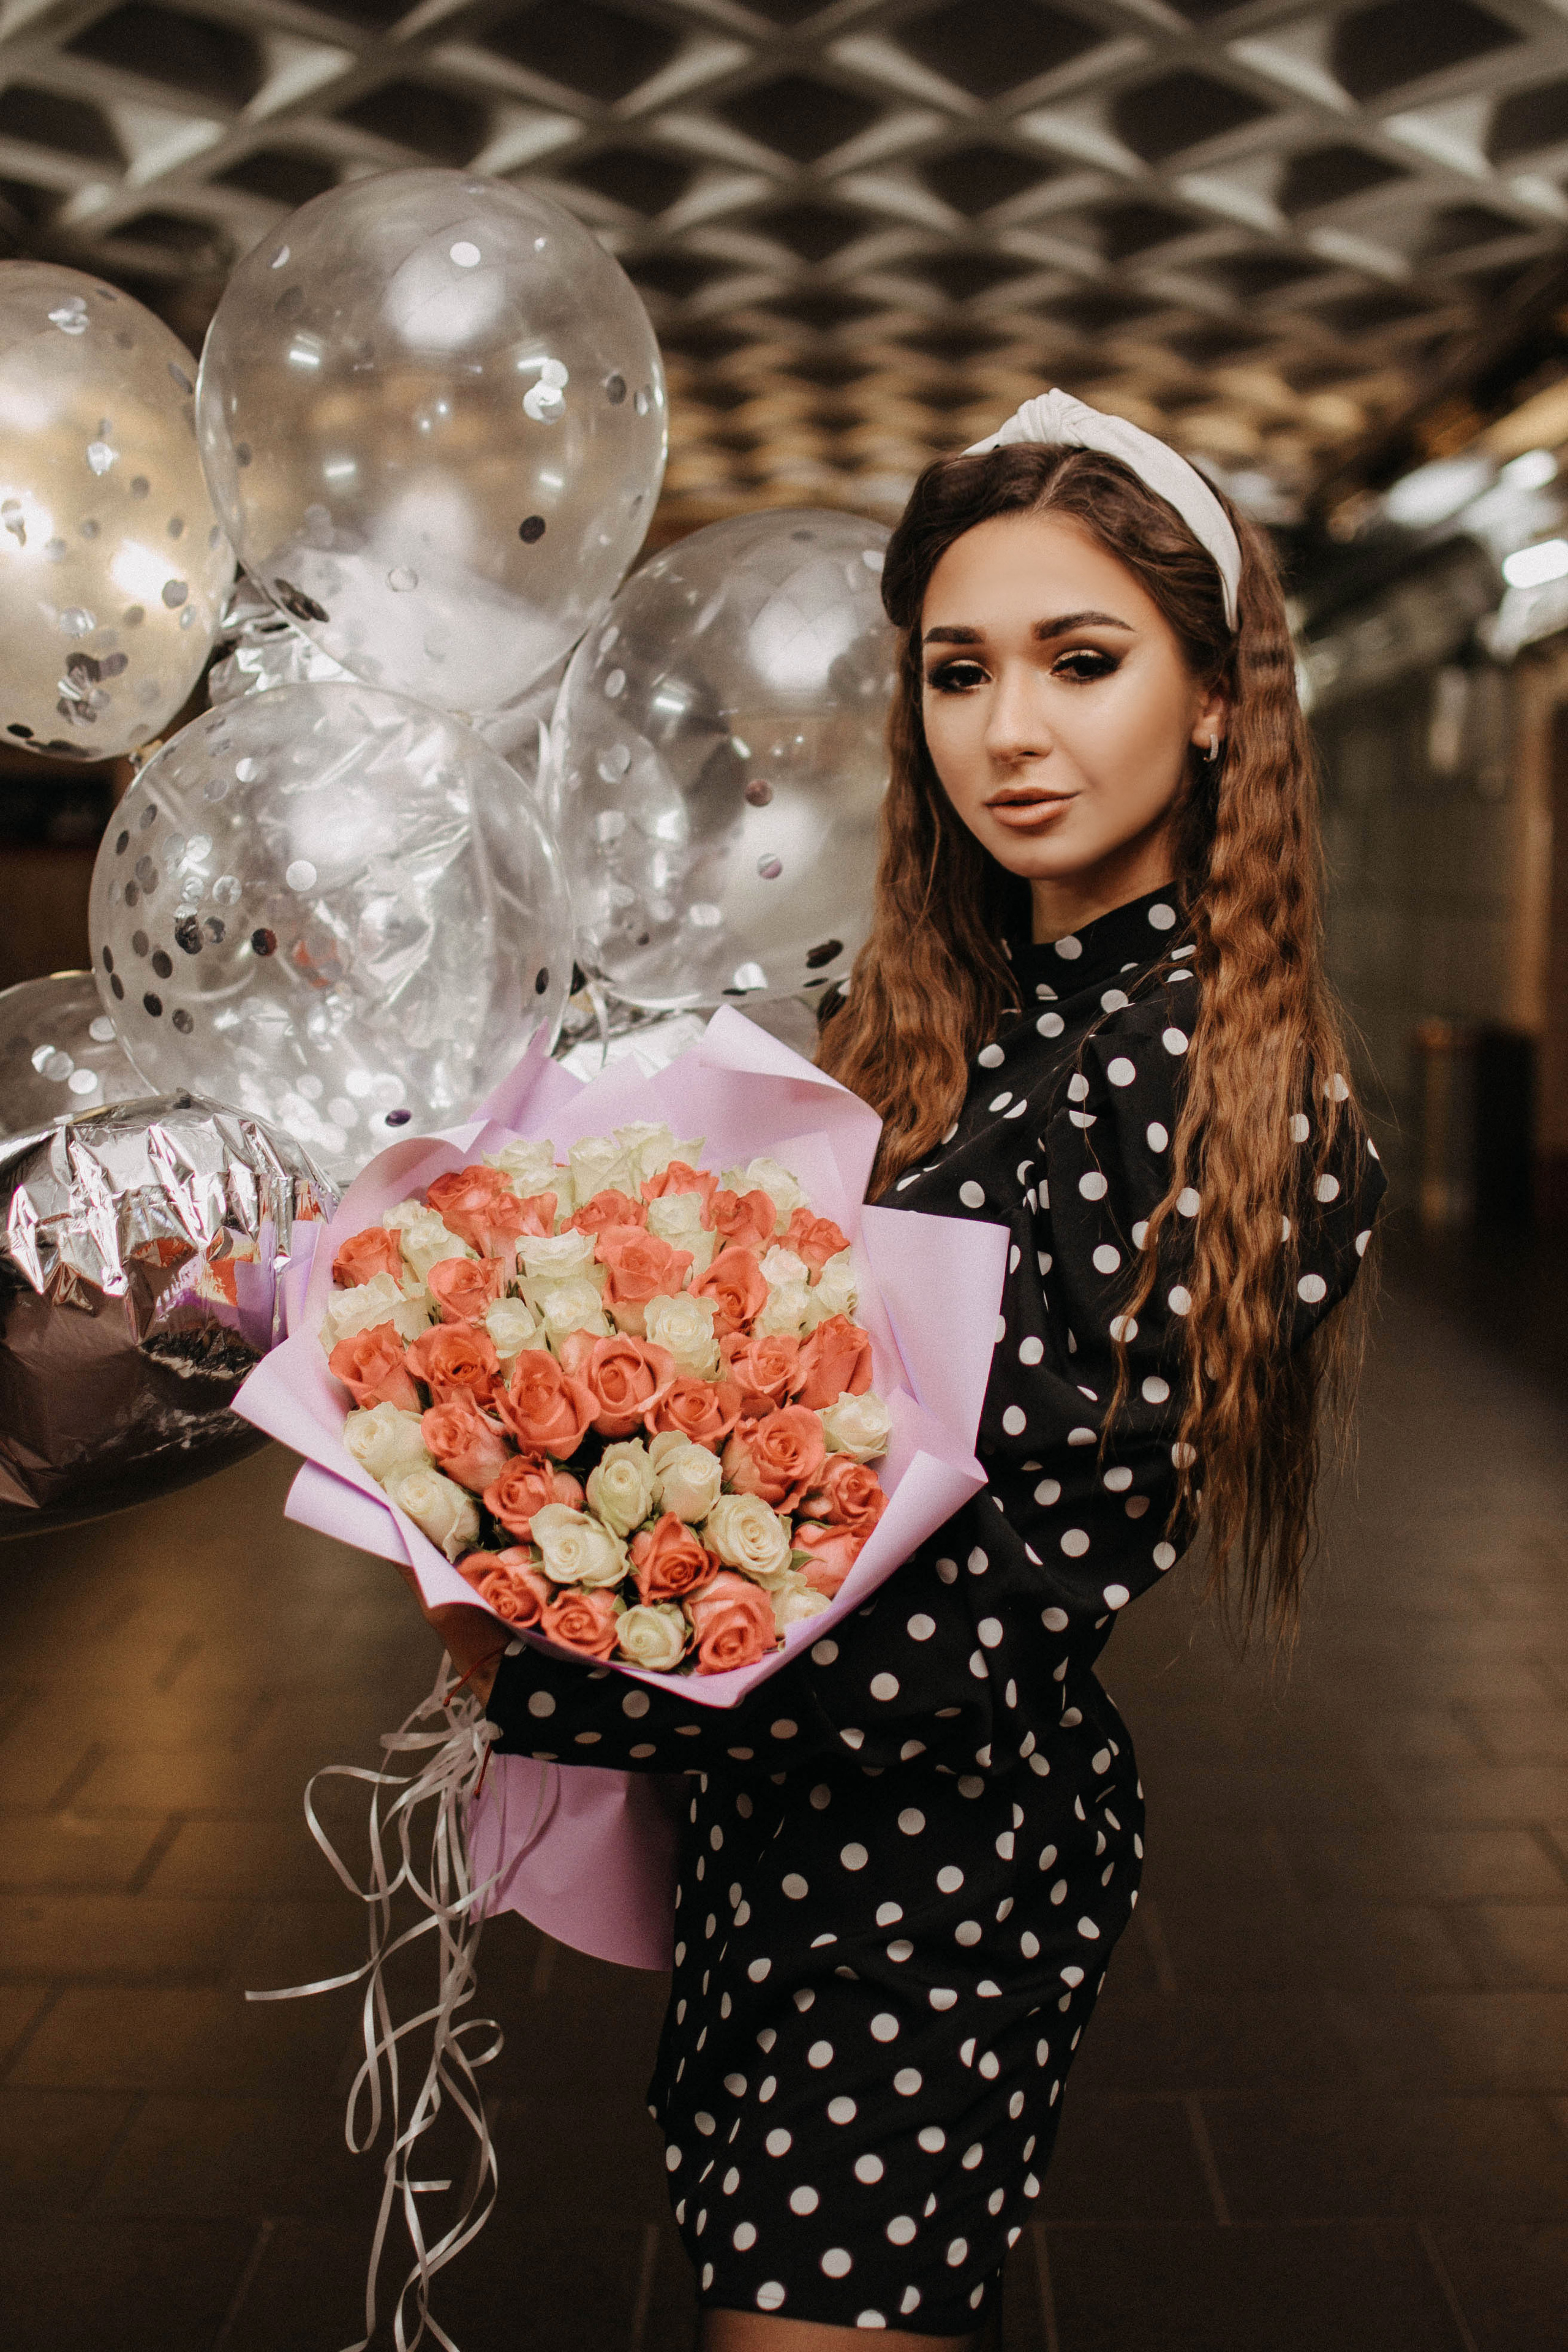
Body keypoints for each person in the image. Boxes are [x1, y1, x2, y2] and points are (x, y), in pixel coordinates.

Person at [421, 391, 1385, 2348]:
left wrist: (544, 1650)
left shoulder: (1221, 1086)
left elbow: (982, 1623)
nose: (1010, 732)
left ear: (1216, 699)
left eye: (1083, 661)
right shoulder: (977, 1028)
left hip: (932, 1881)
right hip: (792, 1847)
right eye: (960, 672)